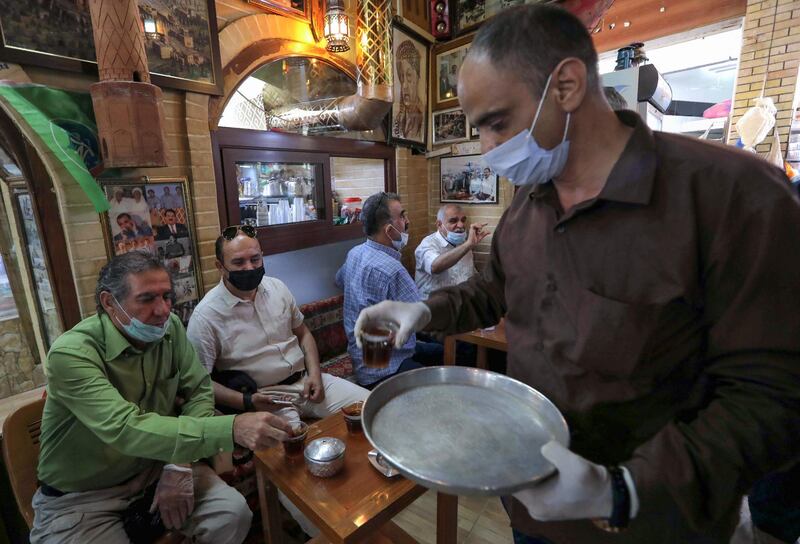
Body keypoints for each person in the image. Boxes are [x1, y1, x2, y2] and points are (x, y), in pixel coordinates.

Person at [353, 5, 800, 544]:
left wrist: (623, 488)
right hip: (532, 498)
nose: (490, 149)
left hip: (652, 521)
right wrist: (424, 309)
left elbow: (773, 394)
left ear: (565, 85)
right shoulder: (529, 204)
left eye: (497, 122)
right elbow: (496, 290)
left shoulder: (731, 197)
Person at [31, 252, 293, 544]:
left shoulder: (170, 331)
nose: (163, 310)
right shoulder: (72, 354)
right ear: (109, 303)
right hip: (85, 496)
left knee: (232, 515)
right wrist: (233, 427)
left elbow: (198, 392)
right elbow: (125, 428)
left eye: (167, 296)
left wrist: (179, 463)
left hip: (155, 467)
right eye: (146, 299)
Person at [187, 225, 369, 538]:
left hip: (308, 382)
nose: (250, 268)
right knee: (291, 471)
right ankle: (324, 533)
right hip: (264, 397)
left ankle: (370, 498)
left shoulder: (276, 287)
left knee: (369, 409)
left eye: (255, 259)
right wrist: (247, 403)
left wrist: (314, 372)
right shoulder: (206, 317)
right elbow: (200, 385)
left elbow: (304, 333)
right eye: (239, 263)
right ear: (219, 266)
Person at [336, 192, 442, 388]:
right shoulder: (392, 270)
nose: (407, 221)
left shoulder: (354, 254)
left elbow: (339, 280)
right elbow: (422, 318)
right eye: (402, 216)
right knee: (457, 356)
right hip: (388, 367)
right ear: (389, 230)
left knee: (440, 350)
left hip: (363, 360)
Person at [414, 204, 488, 300]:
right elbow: (435, 266)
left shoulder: (465, 245)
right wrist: (468, 245)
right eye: (453, 221)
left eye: (463, 220)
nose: (461, 225)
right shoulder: (427, 244)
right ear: (439, 225)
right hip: (435, 309)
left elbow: (470, 276)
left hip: (461, 305)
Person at [393, 39, 424, 141]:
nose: (404, 85)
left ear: (418, 78)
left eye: (409, 75)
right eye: (402, 77)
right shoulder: (399, 118)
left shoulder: (422, 116)